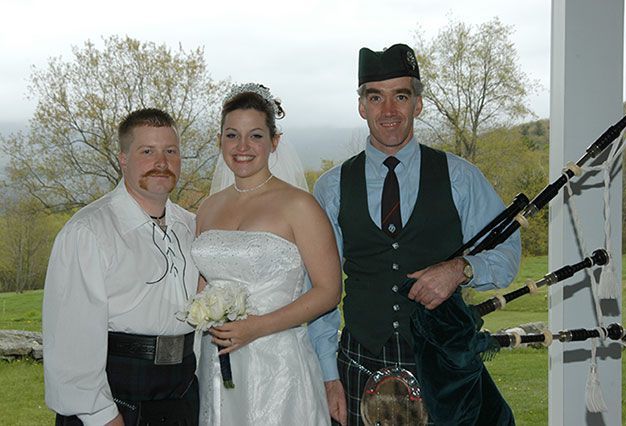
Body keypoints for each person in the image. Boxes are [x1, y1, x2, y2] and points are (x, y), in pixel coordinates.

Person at [309, 43, 521, 425]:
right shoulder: (331, 187)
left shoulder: (460, 177)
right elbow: (318, 288)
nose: (389, 111)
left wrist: (461, 268)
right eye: (376, 97)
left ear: (418, 104)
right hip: (360, 361)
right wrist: (328, 375)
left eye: (401, 96)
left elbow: (507, 254)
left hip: (443, 364)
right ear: (362, 107)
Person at [193, 83, 342, 425]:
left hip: (276, 365)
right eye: (232, 135)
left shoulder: (299, 205)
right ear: (220, 141)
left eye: (255, 136)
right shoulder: (208, 207)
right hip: (217, 363)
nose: (242, 147)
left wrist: (258, 327)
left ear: (274, 142)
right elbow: (203, 285)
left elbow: (328, 291)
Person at [43, 108, 200, 425]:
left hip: (181, 395)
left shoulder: (192, 227)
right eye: (147, 151)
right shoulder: (88, 232)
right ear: (123, 159)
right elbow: (71, 339)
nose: (161, 162)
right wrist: (102, 416)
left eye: (170, 151)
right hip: (114, 401)